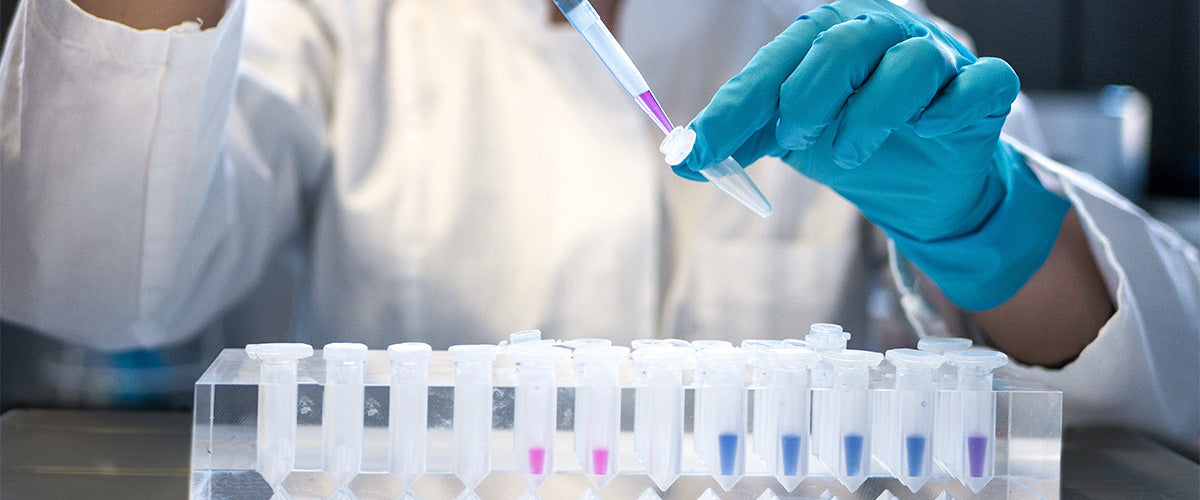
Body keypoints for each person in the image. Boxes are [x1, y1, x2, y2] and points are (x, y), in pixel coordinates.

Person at [1, 0, 1196, 459]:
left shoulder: (846, 24)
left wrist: (988, 229)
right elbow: (92, 280)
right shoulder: (345, 18)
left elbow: (1148, 380)